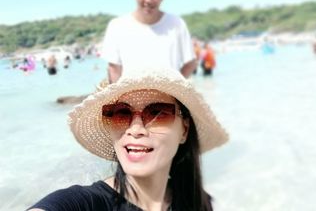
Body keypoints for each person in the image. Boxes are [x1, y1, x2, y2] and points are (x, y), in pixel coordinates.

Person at [28, 68, 229, 211]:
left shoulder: (199, 202)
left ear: (184, 130)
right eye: (121, 113)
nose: (135, 129)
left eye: (158, 113)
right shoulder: (85, 203)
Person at [101, 0, 197, 83]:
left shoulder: (177, 24)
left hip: (169, 99)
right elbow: (114, 69)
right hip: (131, 99)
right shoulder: (117, 26)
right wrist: (119, 100)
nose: (149, 0)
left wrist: (177, 91)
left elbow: (191, 63)